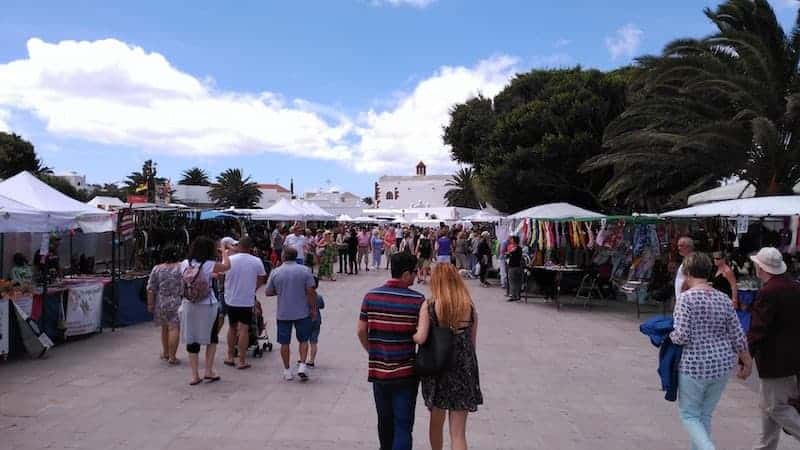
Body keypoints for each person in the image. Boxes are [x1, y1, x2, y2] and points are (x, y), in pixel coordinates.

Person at [669, 253, 752, 450]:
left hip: (694, 365)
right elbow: (737, 334)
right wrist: (747, 362)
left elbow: (682, 336)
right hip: (721, 365)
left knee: (689, 415)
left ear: (687, 272)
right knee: (704, 414)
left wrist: (669, 335)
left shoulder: (685, 299)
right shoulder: (723, 299)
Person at [358, 251, 424, 450]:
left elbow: (361, 331)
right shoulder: (418, 300)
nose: (416, 276)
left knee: (384, 422)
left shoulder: (371, 296)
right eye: (414, 272)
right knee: (403, 425)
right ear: (405, 274)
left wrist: (372, 351)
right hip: (406, 372)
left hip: (379, 372)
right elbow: (422, 336)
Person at [413, 263, 483, 450]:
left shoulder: (430, 305)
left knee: (436, 423)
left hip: (438, 368)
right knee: (458, 433)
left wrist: (408, 334)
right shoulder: (469, 306)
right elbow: (472, 344)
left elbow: (420, 338)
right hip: (463, 368)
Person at [747, 247, 800, 450]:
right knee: (768, 406)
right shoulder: (794, 287)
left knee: (776, 407)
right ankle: (765, 447)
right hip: (793, 359)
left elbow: (759, 328)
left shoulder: (768, 291)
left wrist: (746, 355)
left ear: (761, 268)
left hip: (775, 361)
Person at [180, 236, 231, 386]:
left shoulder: (184, 264)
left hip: (189, 304)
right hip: (208, 305)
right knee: (211, 337)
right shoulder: (209, 264)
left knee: (192, 338)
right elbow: (227, 266)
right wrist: (224, 252)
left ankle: (194, 375)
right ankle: (208, 370)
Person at [264, 247, 318, 382]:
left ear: (283, 256)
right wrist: (313, 309)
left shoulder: (276, 272)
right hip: (302, 311)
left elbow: (268, 292)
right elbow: (311, 291)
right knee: (304, 339)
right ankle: (302, 365)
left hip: (283, 313)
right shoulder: (305, 271)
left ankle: (287, 370)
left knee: (284, 342)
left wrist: (281, 291)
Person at [222, 237, 267, 370]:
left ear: (238, 246)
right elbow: (261, 278)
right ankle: (242, 360)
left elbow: (221, 274)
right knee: (244, 329)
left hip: (230, 298)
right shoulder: (256, 261)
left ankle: (230, 356)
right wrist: (253, 288)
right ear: (250, 247)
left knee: (232, 327)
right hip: (246, 299)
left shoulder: (229, 259)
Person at [146, 245, 183, 365]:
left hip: (161, 301)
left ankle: (166, 352)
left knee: (164, 327)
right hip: (176, 301)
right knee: (174, 327)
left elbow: (151, 288)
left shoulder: (157, 268)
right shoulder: (181, 267)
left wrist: (150, 304)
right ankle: (172, 357)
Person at [307, 276, 325, 368]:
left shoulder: (304, 296)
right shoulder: (319, 296)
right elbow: (322, 306)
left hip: (306, 320)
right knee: (313, 342)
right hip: (317, 320)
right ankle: (311, 360)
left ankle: (302, 358)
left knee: (304, 340)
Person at [675, 237, 695, 301]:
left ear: (689, 247)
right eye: (678, 246)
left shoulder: (691, 261)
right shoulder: (687, 260)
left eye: (681, 246)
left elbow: (688, 279)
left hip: (685, 298)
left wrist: (682, 296)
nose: (679, 248)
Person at [506, 236, 523, 302]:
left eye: (512, 239)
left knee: (512, 282)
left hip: (513, 267)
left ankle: (513, 296)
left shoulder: (514, 248)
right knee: (517, 282)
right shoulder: (519, 248)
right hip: (518, 267)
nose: (511, 240)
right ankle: (517, 296)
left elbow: (510, 255)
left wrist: (509, 253)